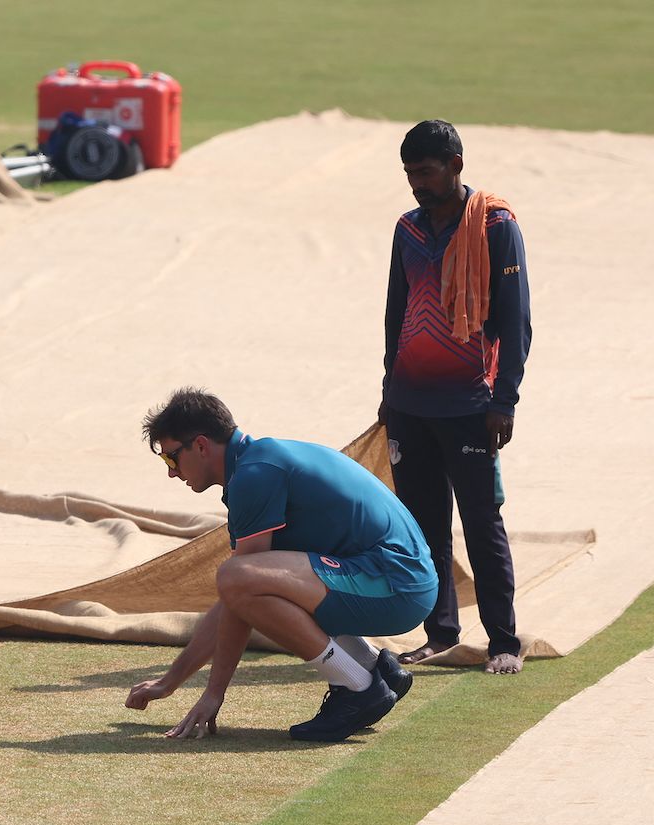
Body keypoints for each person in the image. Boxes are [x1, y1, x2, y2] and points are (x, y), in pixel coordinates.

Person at [125, 388, 438, 742]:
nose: (171, 473)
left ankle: (357, 687)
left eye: (170, 459)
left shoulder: (253, 476)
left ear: (200, 446)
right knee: (248, 579)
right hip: (401, 580)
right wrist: (171, 681)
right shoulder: (259, 460)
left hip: (399, 587)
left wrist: (213, 692)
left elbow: (238, 592)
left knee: (237, 576)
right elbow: (239, 597)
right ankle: (373, 668)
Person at [380, 120, 532, 674]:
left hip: (471, 403)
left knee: (481, 520)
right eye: (409, 175)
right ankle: (440, 632)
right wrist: (386, 389)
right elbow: (396, 311)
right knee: (423, 525)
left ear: (455, 165)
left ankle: (504, 641)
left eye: (425, 172)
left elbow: (516, 322)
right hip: (410, 403)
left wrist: (505, 401)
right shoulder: (408, 229)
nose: (417, 184)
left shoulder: (494, 227)